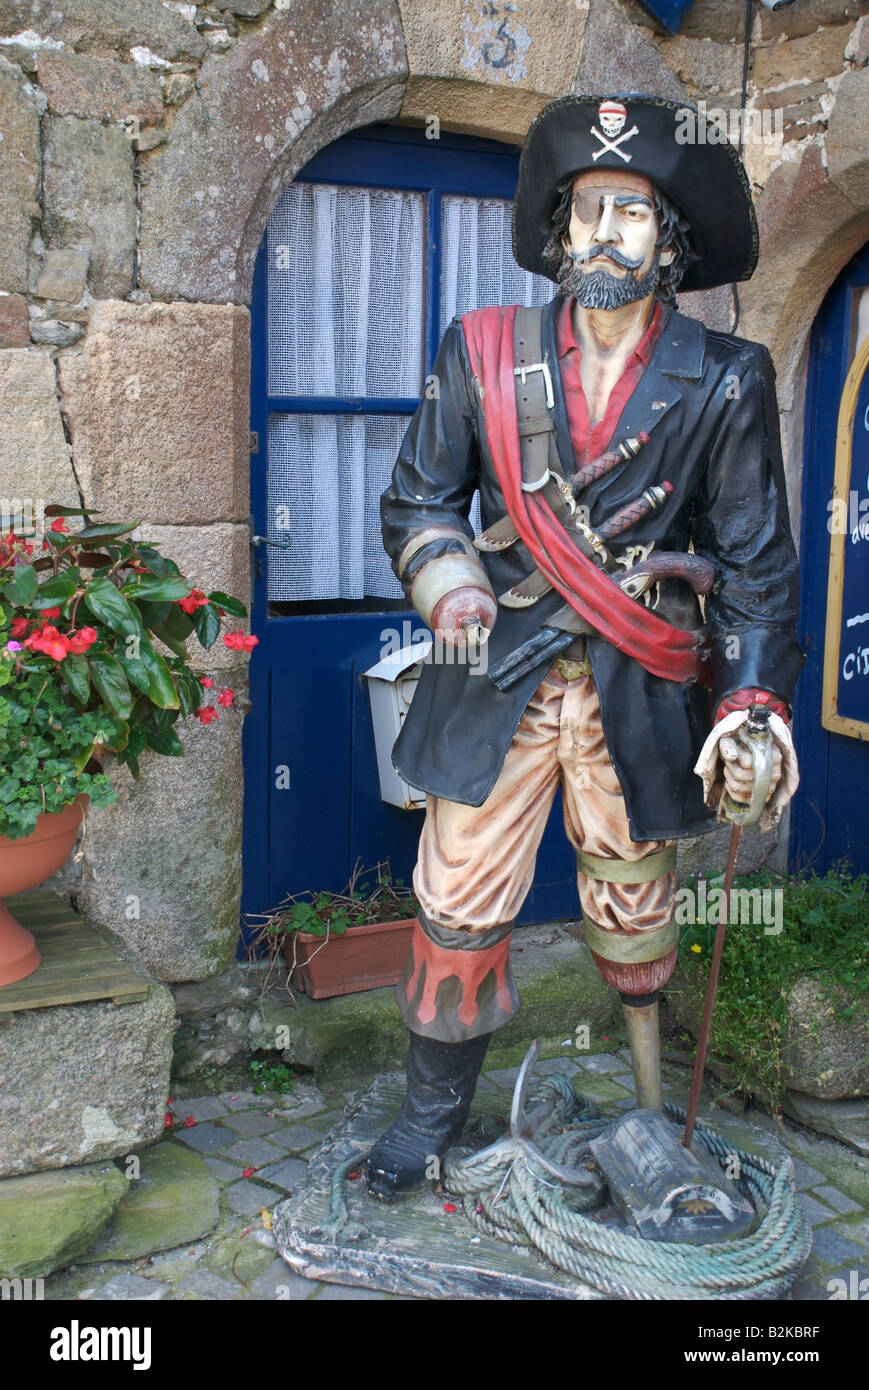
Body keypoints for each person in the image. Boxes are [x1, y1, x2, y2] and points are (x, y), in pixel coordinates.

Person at [367, 94, 803, 1201]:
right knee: (456, 898)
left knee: (634, 901)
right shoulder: (477, 350)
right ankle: (426, 1121)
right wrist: (454, 583)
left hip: (639, 682)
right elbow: (418, 502)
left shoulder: (725, 373)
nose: (608, 233)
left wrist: (750, 704)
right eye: (590, 209)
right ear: (559, 231)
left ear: (670, 242)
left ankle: (656, 1119)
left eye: (635, 213)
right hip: (487, 677)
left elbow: (754, 564)